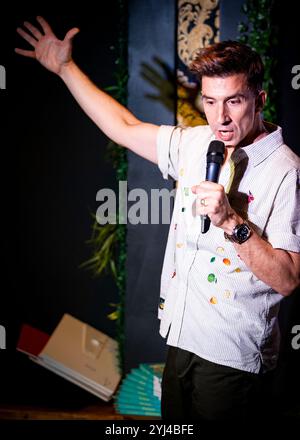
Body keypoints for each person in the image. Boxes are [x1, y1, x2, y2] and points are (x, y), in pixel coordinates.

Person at [15, 17, 300, 422]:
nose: (221, 118)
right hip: (181, 339)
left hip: (232, 357)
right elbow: (124, 127)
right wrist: (65, 68)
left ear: (260, 98)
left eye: (234, 101)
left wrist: (231, 222)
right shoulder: (197, 143)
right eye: (211, 101)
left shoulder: (286, 171)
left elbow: (289, 279)